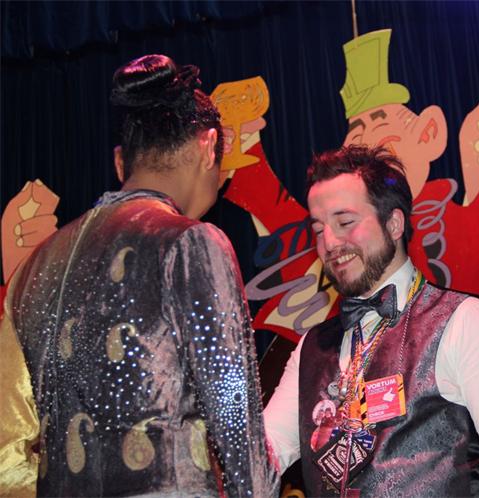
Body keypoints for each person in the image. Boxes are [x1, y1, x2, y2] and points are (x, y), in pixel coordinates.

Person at [0, 54, 278, 498]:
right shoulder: (190, 243)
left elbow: (7, 451)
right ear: (208, 147)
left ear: (120, 162)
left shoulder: (31, 269)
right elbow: (236, 424)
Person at [264, 145, 479, 497]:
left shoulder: (463, 321)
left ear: (394, 223)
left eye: (345, 222)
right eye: (319, 229)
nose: (330, 243)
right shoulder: (311, 347)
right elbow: (263, 455)